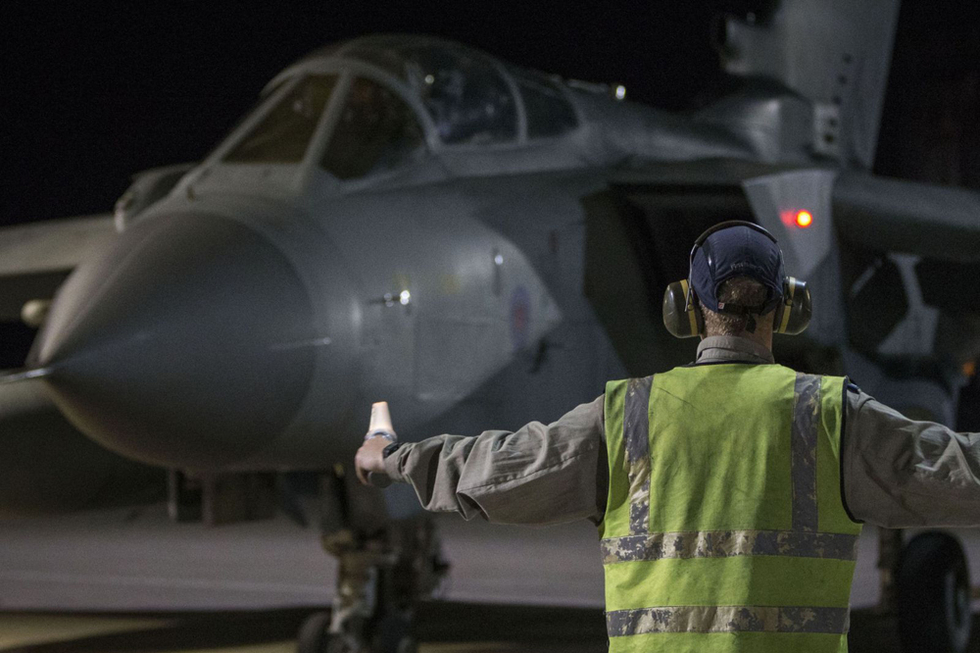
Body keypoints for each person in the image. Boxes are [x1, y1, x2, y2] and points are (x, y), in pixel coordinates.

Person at [355, 221, 980, 652]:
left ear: (685, 308)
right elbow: (956, 471)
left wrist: (392, 457)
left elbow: (503, 469)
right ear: (788, 307)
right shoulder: (829, 415)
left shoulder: (627, 414)